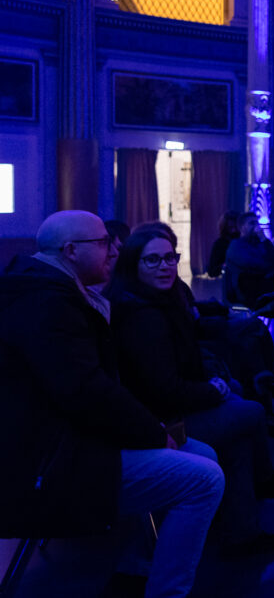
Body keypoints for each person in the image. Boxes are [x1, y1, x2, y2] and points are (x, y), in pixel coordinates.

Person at [0, 211, 224, 598]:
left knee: (202, 453)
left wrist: (147, 429)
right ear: (71, 251)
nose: (115, 250)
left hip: (56, 442)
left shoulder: (47, 290)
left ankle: (138, 564)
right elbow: (86, 392)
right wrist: (152, 432)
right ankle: (166, 591)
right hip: (45, 466)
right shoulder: (47, 303)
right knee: (205, 479)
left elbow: (90, 390)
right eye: (104, 242)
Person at [107, 226, 274, 557]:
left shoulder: (157, 302)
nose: (165, 266)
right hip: (159, 422)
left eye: (169, 258)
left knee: (237, 430)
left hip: (165, 409)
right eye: (152, 260)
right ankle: (264, 481)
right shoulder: (143, 317)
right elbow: (163, 391)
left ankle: (241, 533)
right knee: (251, 411)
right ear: (133, 264)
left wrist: (214, 384)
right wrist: (212, 391)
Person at [224, 212, 274, 308]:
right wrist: (269, 266)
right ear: (242, 227)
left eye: (257, 223)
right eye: (252, 223)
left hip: (263, 286)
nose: (257, 226)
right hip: (246, 291)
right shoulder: (236, 245)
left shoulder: (260, 244)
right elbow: (252, 264)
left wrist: (264, 239)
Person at [207, 210, 239, 278]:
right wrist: (225, 267)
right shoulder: (220, 244)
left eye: (236, 227)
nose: (234, 231)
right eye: (231, 228)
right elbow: (212, 271)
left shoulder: (246, 243)